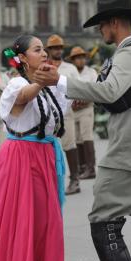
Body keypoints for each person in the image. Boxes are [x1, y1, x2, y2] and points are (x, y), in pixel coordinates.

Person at [34, 1, 131, 261]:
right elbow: (117, 93)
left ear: (114, 22)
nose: (99, 30)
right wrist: (85, 94)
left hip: (129, 153)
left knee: (103, 220)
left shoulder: (129, 54)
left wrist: (60, 81)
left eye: (101, 24)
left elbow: (110, 91)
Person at [0, 35, 67, 261]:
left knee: (44, 219)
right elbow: (23, 99)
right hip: (21, 157)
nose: (44, 53)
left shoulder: (51, 86)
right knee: (21, 218)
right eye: (37, 50)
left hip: (45, 156)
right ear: (23, 58)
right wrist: (41, 82)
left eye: (44, 49)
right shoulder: (17, 83)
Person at [45, 34, 82, 195]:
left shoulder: (70, 68)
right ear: (49, 50)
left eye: (60, 47)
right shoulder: (43, 67)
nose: (58, 50)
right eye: (54, 48)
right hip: (47, 114)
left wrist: (78, 98)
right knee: (49, 148)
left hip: (66, 111)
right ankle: (53, 181)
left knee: (69, 145)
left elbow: (80, 86)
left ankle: (75, 180)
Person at [66, 46, 98, 194]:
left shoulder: (91, 72)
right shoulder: (71, 72)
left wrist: (84, 101)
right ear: (73, 60)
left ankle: (91, 168)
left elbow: (95, 89)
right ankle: (82, 167)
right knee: (77, 138)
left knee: (87, 136)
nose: (80, 60)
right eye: (77, 57)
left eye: (82, 57)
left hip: (86, 108)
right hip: (73, 109)